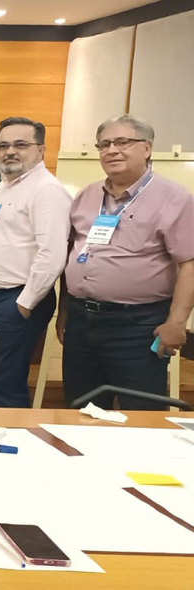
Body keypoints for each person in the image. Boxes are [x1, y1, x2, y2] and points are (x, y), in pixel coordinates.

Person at [58, 114, 194, 410]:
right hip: (81, 320)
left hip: (137, 326)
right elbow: (73, 254)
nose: (112, 150)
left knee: (141, 413)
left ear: (147, 148)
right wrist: (64, 311)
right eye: (104, 144)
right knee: (83, 411)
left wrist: (176, 323)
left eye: (122, 142)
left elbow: (190, 265)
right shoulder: (87, 195)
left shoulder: (175, 198)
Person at [0, 117, 70, 408]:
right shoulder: (2, 187)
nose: (10, 151)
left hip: (17, 299)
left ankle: (16, 433)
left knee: (7, 380)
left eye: (21, 145)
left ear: (41, 150)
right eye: (3, 146)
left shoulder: (46, 190)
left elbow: (52, 254)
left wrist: (25, 303)